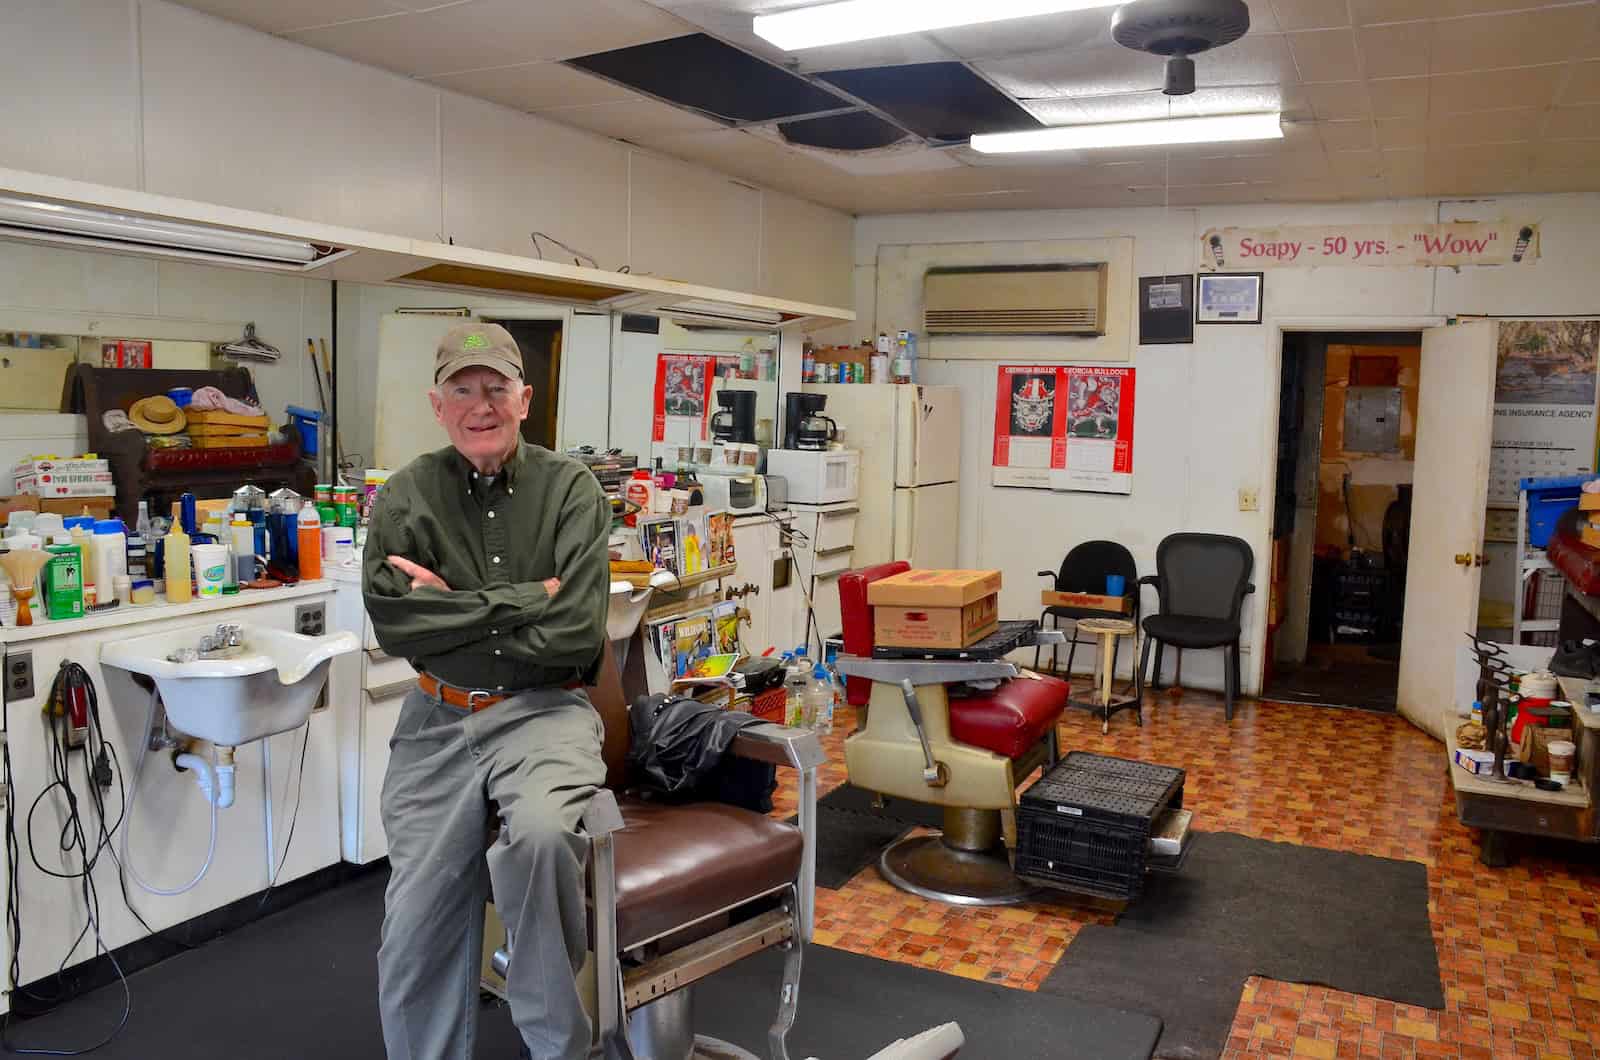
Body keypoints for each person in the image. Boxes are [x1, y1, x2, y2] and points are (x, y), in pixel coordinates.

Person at [362, 322, 612, 1059]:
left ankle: (560, 1049)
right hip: (437, 718)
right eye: (463, 390)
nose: (482, 405)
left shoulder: (571, 490)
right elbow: (400, 625)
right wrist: (527, 596)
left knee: (538, 843)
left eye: (496, 388)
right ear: (438, 406)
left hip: (544, 712)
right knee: (414, 923)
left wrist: (456, 606)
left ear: (524, 398)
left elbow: (575, 636)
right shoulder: (407, 495)